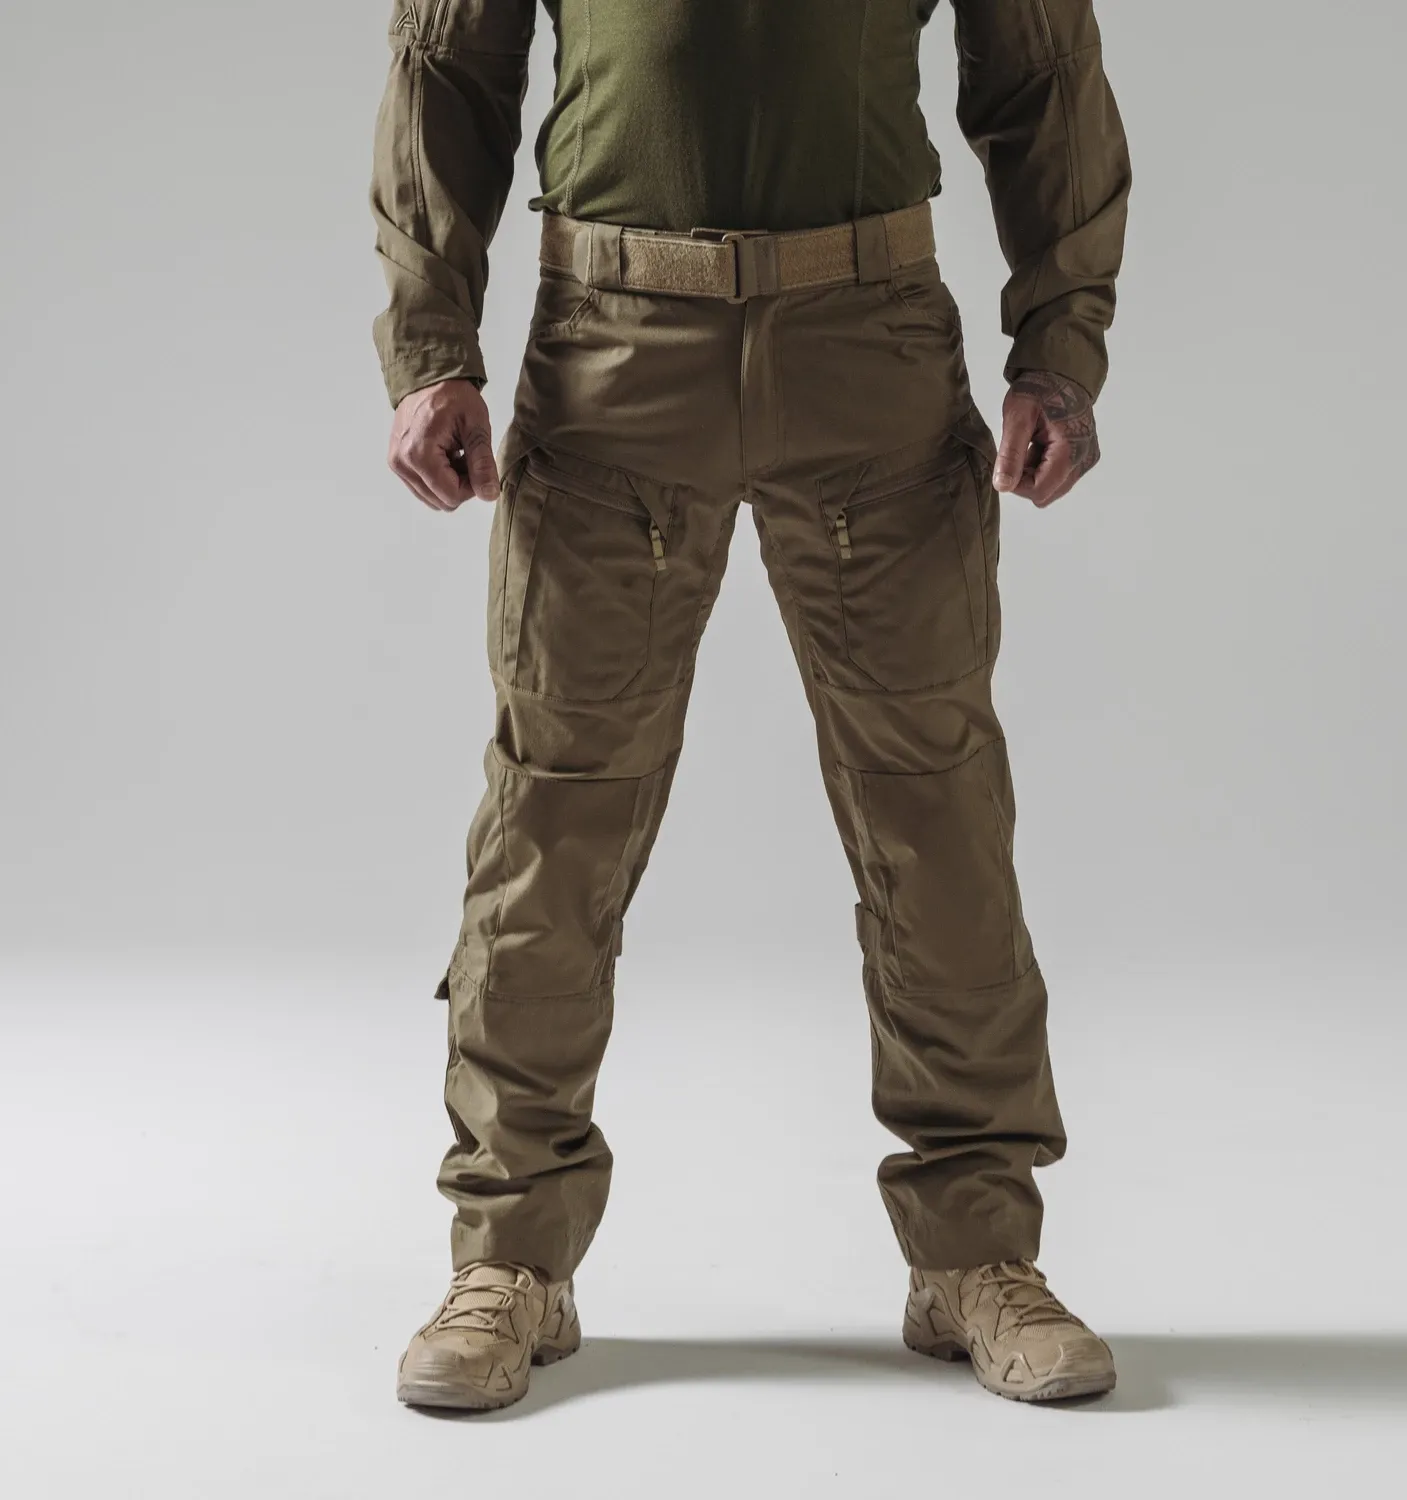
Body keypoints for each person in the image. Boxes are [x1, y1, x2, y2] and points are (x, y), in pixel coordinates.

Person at [371, 0, 1130, 1412]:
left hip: (872, 355)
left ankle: (976, 1255)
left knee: (937, 815)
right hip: (610, 354)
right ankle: (510, 1258)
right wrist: (432, 351)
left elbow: (1042, 71)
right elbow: (447, 74)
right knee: (553, 820)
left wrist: (1059, 347)